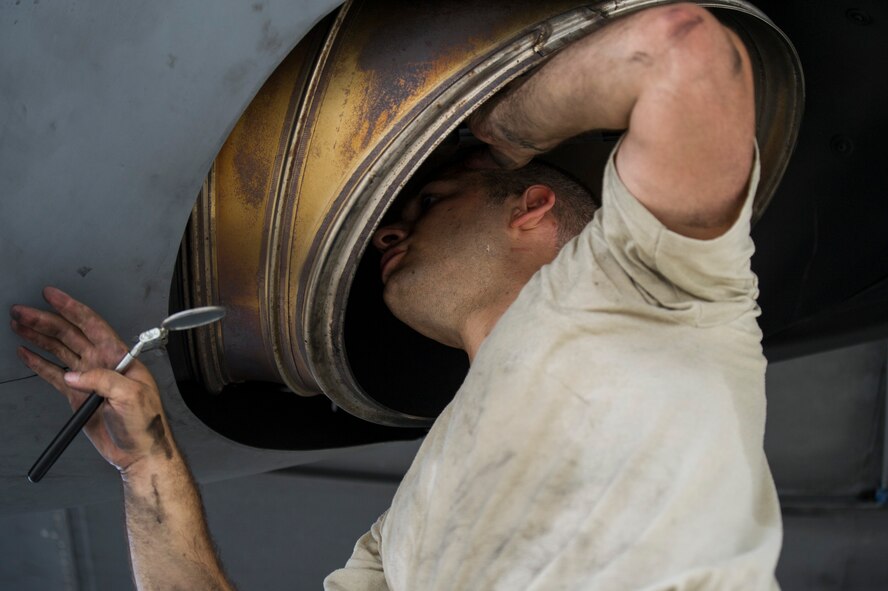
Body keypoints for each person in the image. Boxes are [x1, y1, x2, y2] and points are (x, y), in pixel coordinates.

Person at [10, 3, 782, 589]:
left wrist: (500, 132)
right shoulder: (412, 521)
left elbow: (684, 50)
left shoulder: (659, 285)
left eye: (428, 200)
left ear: (532, 208)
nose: (387, 232)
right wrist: (149, 465)